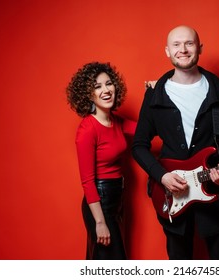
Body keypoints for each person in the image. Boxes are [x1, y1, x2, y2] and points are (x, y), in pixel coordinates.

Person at [132, 25, 219, 260]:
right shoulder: (155, 95)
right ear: (167, 51)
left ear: (200, 48)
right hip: (172, 193)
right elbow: (139, 145)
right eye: (176, 44)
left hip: (216, 196)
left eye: (189, 43)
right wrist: (161, 176)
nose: (183, 49)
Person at [66, 62, 136, 260]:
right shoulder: (87, 129)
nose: (106, 90)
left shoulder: (116, 121)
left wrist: (156, 94)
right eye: (97, 87)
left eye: (109, 84)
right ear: (88, 94)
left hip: (117, 200)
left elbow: (147, 130)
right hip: (100, 203)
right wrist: (99, 222)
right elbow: (87, 181)